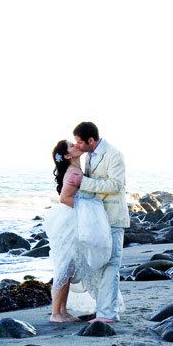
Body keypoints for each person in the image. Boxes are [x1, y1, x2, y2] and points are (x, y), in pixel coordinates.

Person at [44, 139, 113, 323]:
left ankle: (62, 311)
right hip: (69, 222)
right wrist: (89, 209)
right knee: (64, 267)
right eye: (71, 146)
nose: (76, 145)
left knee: (69, 268)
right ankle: (56, 313)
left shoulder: (77, 169)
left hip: (73, 220)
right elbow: (64, 198)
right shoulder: (73, 171)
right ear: (67, 155)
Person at [67, 121, 128, 323]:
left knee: (111, 263)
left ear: (91, 140)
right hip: (97, 218)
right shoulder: (89, 156)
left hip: (113, 217)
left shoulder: (114, 154)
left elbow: (116, 185)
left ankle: (108, 314)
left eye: (79, 142)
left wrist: (83, 182)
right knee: (99, 263)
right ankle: (102, 310)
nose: (78, 146)